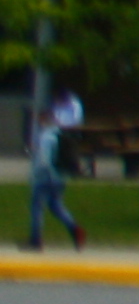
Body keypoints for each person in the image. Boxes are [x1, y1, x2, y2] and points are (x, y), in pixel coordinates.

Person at [25, 98, 85, 253]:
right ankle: (74, 228)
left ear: (44, 118)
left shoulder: (46, 136)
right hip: (60, 177)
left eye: (40, 118)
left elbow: (44, 161)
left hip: (45, 177)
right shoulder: (60, 134)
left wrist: (36, 174)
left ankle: (35, 240)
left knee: (37, 207)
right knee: (56, 205)